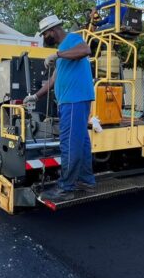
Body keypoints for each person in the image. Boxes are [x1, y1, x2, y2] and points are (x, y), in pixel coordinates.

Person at [25, 15, 95, 202]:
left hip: (75, 100)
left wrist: (57, 55)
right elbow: (54, 79)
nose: (44, 37)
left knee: (69, 143)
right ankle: (86, 181)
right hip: (71, 101)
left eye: (45, 33)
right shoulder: (62, 50)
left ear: (53, 31)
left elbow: (86, 49)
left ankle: (66, 187)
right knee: (81, 143)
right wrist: (35, 95)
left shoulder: (71, 40)